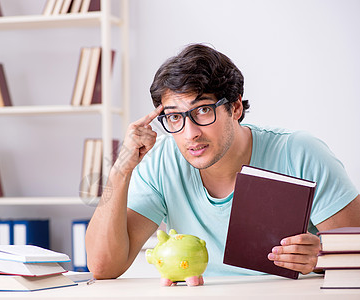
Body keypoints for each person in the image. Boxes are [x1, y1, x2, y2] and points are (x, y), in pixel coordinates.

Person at [85, 43, 360, 279]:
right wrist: (121, 170)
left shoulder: (299, 152)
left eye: (203, 110)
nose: (190, 133)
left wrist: (321, 257)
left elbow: (356, 253)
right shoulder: (162, 164)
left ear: (236, 107)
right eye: (174, 117)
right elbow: (103, 267)